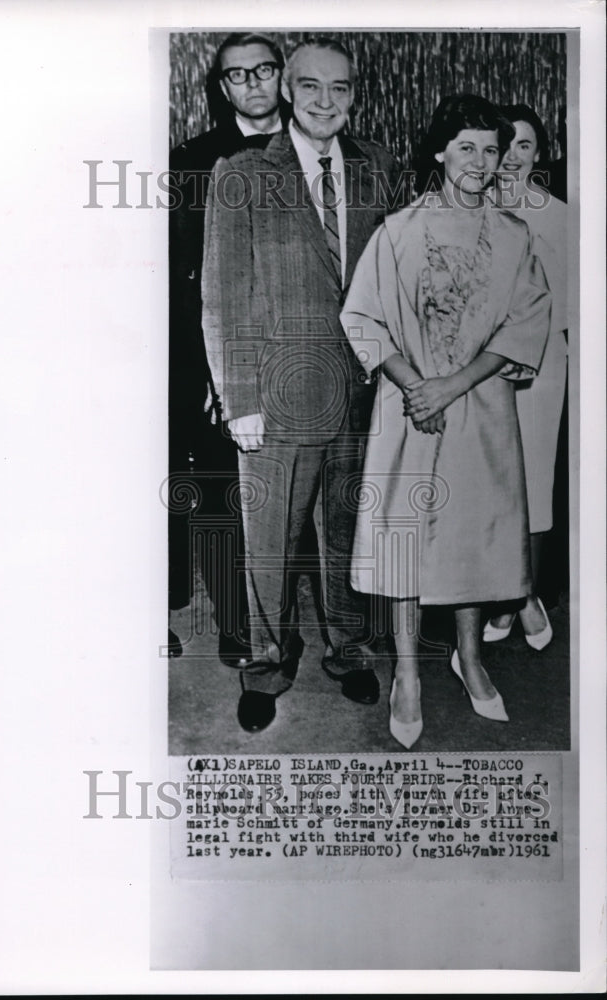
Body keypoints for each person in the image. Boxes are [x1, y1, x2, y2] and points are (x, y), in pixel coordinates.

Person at [202, 38, 402, 732]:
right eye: (310, 87)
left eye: (340, 89)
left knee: (346, 530)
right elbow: (224, 296)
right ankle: (265, 664)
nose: (325, 102)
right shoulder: (242, 171)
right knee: (269, 543)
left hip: (361, 388)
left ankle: (348, 651)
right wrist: (241, 400)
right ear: (286, 89)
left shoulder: (377, 168)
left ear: (354, 95)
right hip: (276, 394)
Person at [340, 94, 551, 748]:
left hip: (481, 409)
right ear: (438, 152)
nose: (480, 162)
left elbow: (525, 322)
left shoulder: (514, 236)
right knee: (404, 539)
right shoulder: (398, 231)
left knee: (475, 536)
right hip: (408, 413)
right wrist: (414, 387)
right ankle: (406, 673)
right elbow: (363, 317)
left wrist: (452, 386)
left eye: (491, 150)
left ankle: (470, 656)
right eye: (466, 147)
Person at [168, 33, 285, 667]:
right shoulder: (193, 161)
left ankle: (290, 625)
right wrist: (215, 377)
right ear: (223, 88)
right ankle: (239, 631)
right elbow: (186, 277)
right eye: (239, 76)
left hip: (304, 357)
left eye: (265, 69)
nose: (254, 84)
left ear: (283, 76)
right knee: (221, 494)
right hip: (224, 360)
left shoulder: (320, 150)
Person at [482, 104, 568, 650]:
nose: (513, 157)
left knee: (534, 484)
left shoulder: (559, 214)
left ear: (539, 154)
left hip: (540, 369)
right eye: (504, 144)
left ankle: (526, 596)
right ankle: (498, 591)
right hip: (482, 371)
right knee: (488, 483)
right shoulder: (469, 209)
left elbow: (575, 305)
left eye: (525, 146)